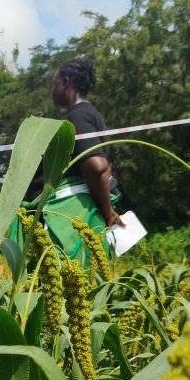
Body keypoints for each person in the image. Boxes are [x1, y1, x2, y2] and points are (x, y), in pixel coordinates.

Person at [27, 58, 123, 264]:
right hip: (81, 213)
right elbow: (106, 167)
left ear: (66, 82)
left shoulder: (78, 117)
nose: (53, 90)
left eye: (54, 84)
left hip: (71, 215)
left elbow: (96, 166)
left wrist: (108, 212)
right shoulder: (92, 114)